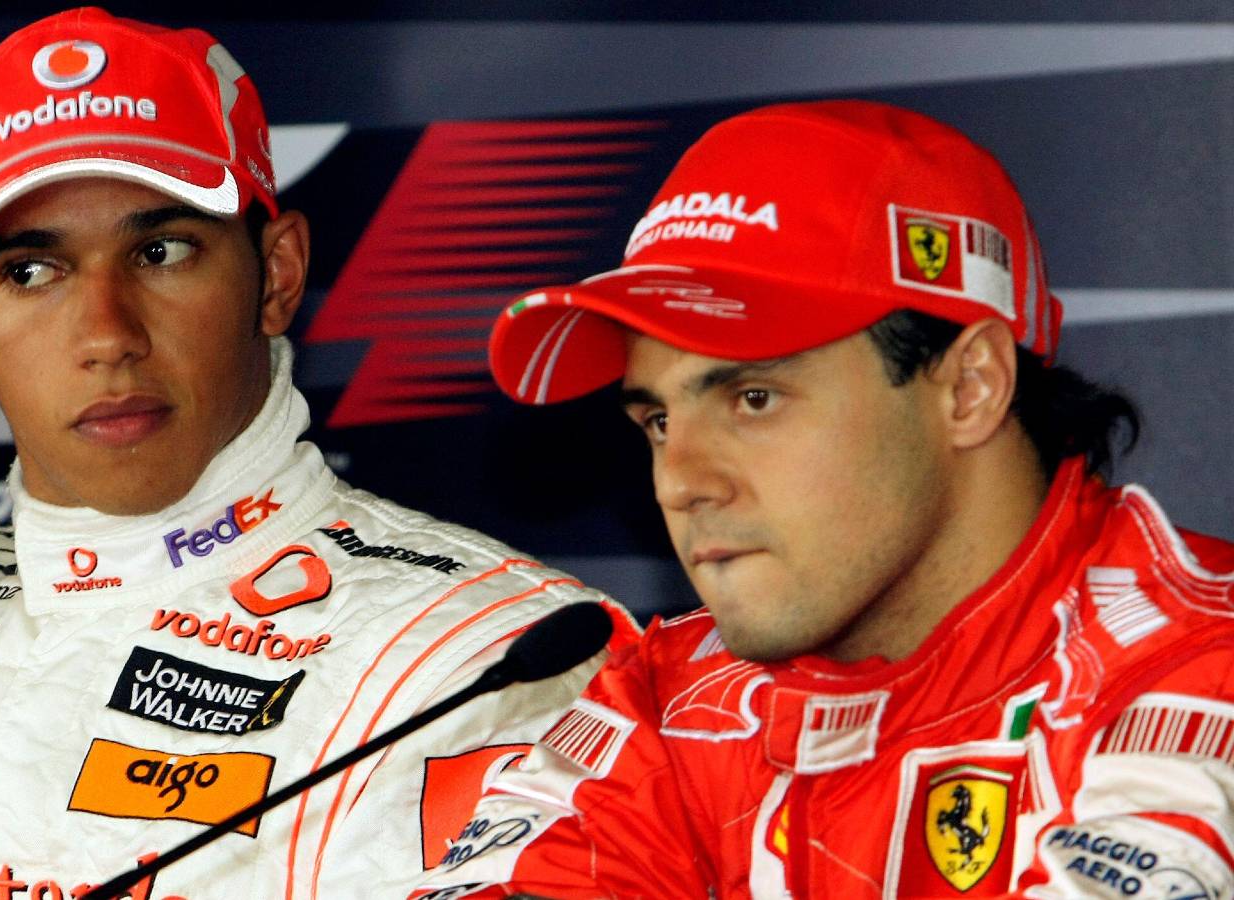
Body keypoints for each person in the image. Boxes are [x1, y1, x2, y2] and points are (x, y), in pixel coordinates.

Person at [0, 8, 626, 898]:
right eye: (30, 269)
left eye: (160, 252)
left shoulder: (491, 660)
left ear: (275, 275)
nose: (104, 332)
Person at [413, 100, 1234, 898]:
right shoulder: (669, 699)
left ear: (971, 386)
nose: (680, 480)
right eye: (659, 419)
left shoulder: (1197, 673)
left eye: (753, 399)